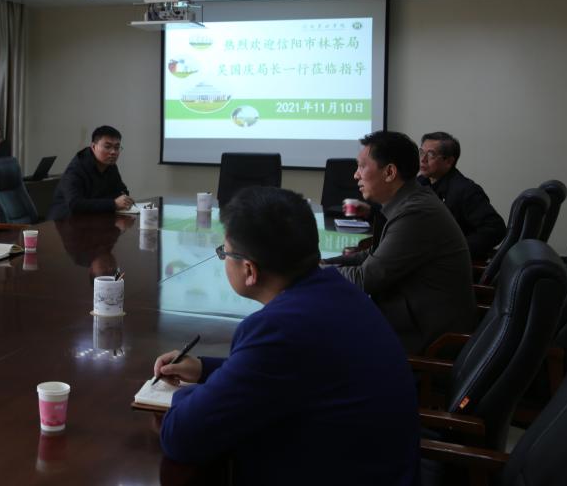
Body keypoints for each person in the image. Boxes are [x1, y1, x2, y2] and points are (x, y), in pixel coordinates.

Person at [154, 186, 419, 485]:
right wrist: (204, 369)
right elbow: (290, 371)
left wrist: (184, 396)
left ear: (249, 270)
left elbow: (182, 437)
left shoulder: (280, 329)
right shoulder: (336, 289)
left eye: (224, 252)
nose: (223, 258)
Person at [337, 130, 475, 353]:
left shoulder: (416, 213)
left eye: (362, 166)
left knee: (322, 331)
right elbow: (374, 255)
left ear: (390, 172)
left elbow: (365, 279)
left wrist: (312, 271)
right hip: (411, 319)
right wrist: (325, 263)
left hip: (424, 339)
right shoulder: (410, 202)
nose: (355, 175)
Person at [417, 131, 506, 260]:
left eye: (430, 154)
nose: (423, 159)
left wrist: (456, 250)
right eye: (421, 152)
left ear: (449, 161)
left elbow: (495, 229)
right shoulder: (420, 183)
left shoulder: (466, 190)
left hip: (450, 263)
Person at [46, 125, 133, 220]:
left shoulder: (110, 165)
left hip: (93, 219)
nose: (113, 152)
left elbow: (121, 191)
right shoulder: (77, 168)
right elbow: (75, 204)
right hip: (64, 221)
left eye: (117, 147)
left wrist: (125, 199)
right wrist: (114, 203)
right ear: (93, 147)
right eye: (107, 147)